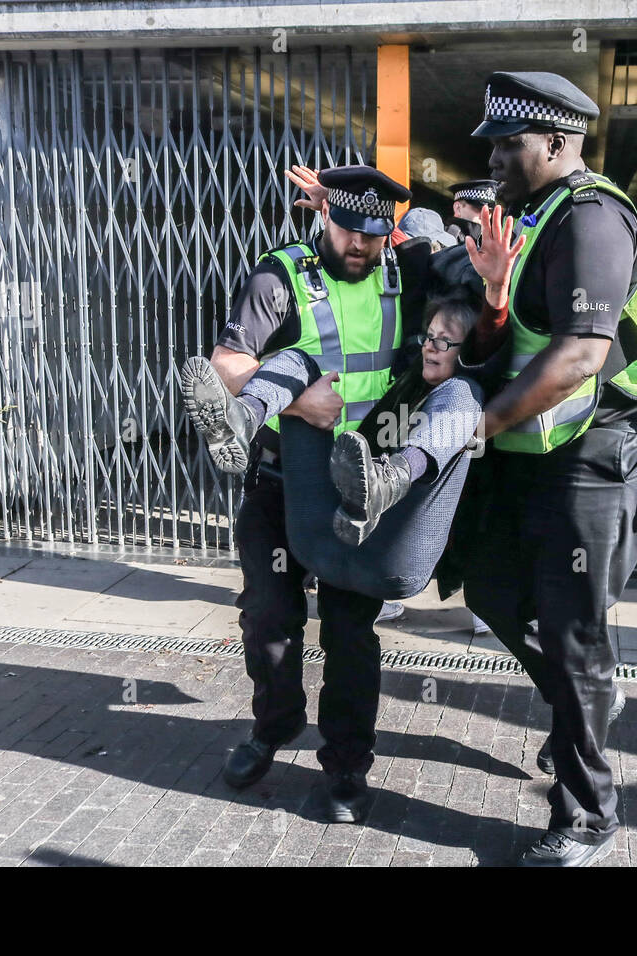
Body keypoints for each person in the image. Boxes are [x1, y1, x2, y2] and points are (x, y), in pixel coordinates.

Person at [460, 71, 637, 866]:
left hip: (603, 450)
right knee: (490, 588)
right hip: (540, 450)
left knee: (573, 633)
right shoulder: (532, 215)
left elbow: (581, 355)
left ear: (557, 143)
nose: (493, 155)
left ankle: (587, 815)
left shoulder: (592, 219)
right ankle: (587, 699)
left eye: (507, 142)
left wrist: (476, 427)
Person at [178, 164, 419, 825]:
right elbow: (227, 363)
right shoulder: (278, 274)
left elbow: (458, 260)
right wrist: (302, 400)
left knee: (350, 632)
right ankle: (274, 726)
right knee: (269, 616)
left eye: (373, 235)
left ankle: (345, 770)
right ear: (323, 219)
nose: (359, 247)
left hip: (358, 487)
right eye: (347, 230)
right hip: (280, 476)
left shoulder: (405, 271)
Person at [445, 179, 498, 244]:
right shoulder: (441, 237)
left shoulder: (490, 245)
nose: (485, 216)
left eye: (489, 212)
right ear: (458, 208)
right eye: (479, 209)